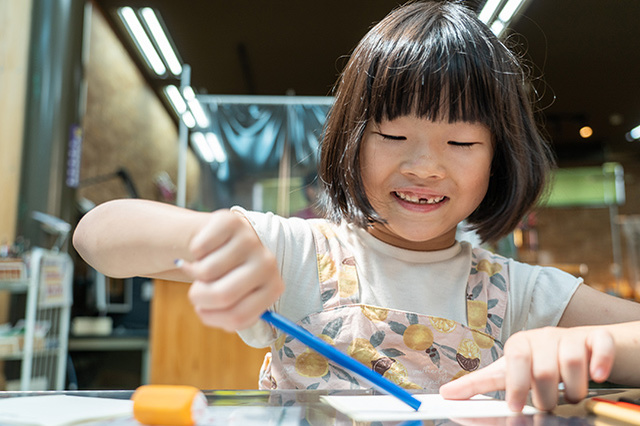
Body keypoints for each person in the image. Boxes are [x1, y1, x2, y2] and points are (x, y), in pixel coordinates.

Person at [73, 0, 640, 412]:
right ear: (352, 140)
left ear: (500, 157)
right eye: (393, 137)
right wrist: (209, 242)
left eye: (462, 143)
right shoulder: (298, 253)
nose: (424, 166)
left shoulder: (519, 294)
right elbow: (98, 233)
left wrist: (587, 344)